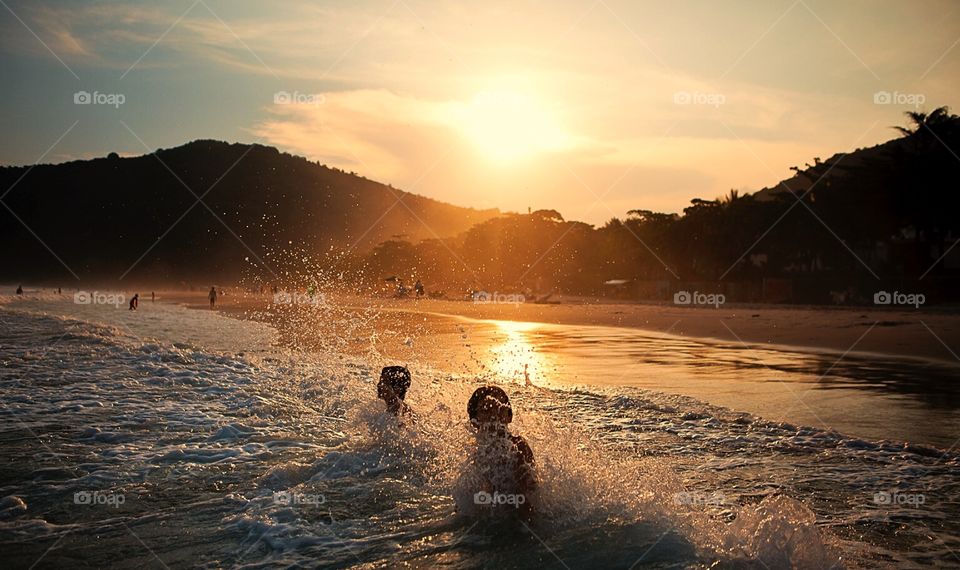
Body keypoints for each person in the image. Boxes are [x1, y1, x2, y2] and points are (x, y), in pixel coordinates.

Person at [466, 386, 537, 519]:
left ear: (509, 416)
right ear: (474, 421)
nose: (493, 415)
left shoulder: (517, 446)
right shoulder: (476, 452)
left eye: (499, 408)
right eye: (486, 410)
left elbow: (526, 497)